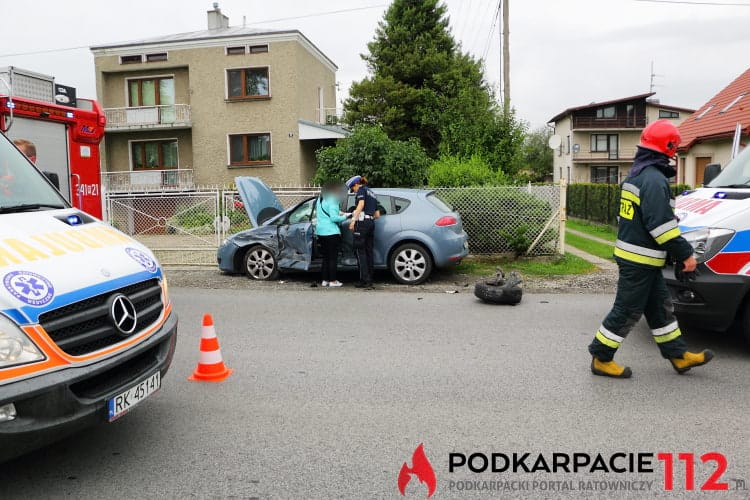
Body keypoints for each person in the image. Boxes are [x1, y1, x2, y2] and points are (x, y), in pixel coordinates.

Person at [588, 120, 714, 378]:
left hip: (641, 259)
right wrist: (685, 255)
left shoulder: (636, 176)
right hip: (640, 262)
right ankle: (601, 357)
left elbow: (634, 221)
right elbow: (661, 227)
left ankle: (678, 356)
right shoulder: (654, 180)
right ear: (669, 149)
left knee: (660, 309)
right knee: (626, 311)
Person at [347, 175, 380, 289]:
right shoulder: (372, 192)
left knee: (360, 252)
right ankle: (369, 278)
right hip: (371, 223)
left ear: (356, 184)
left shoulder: (361, 190)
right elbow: (377, 215)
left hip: (362, 224)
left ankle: (364, 281)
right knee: (368, 251)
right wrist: (368, 218)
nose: (353, 191)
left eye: (353, 189)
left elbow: (361, 205)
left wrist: (353, 221)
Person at [315, 181, 349, 287]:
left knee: (326, 257)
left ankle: (325, 280)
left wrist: (340, 212)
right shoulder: (333, 200)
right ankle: (333, 281)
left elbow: (327, 212)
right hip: (331, 233)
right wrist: (345, 216)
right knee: (333, 258)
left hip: (321, 232)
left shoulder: (320, 200)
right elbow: (334, 218)